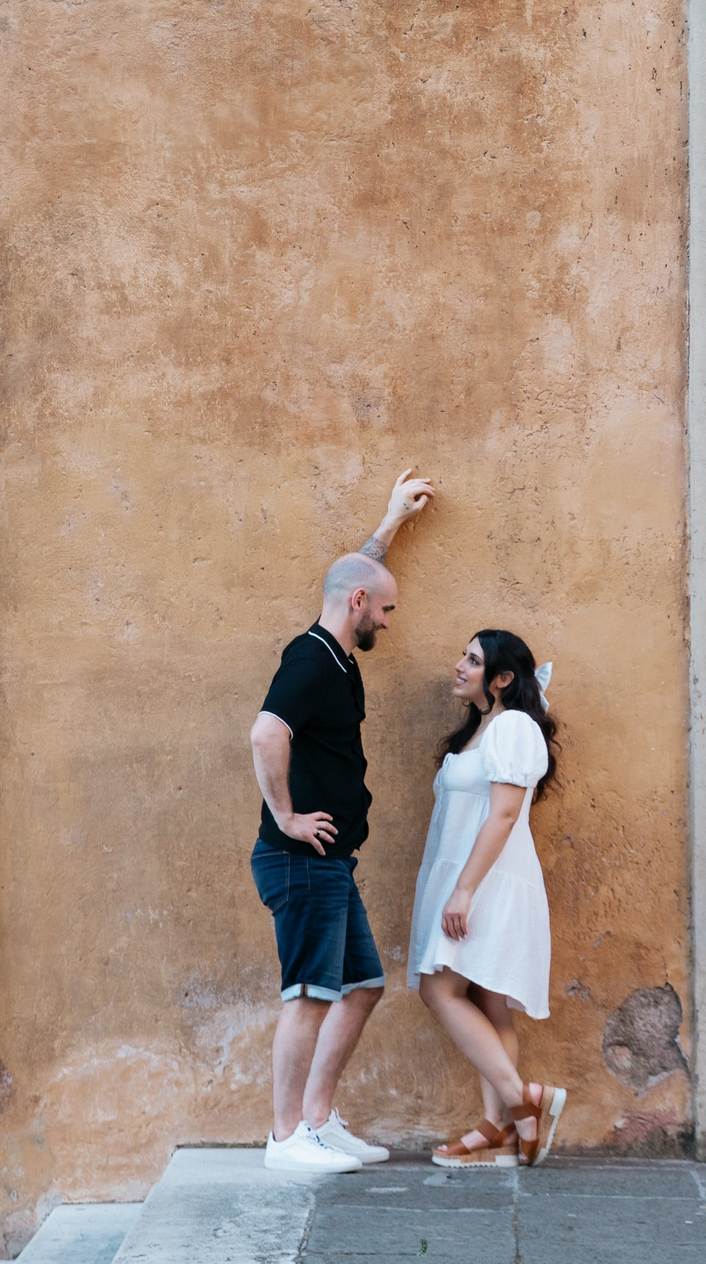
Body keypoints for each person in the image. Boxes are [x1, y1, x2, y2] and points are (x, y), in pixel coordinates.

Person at [248, 470, 436, 1173]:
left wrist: (390, 522)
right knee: (309, 994)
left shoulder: (334, 649)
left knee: (361, 985)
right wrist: (287, 817)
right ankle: (285, 1136)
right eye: (384, 609)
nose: (387, 620)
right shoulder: (311, 660)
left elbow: (356, 569)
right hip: (301, 860)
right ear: (358, 602)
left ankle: (318, 1121)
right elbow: (266, 733)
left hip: (330, 863)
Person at [407, 628, 568, 1167]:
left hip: (487, 882)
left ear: (502, 679)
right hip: (468, 878)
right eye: (463, 655)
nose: (459, 665)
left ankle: (523, 1102)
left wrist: (465, 891)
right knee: (486, 999)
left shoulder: (514, 727)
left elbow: (503, 815)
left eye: (473, 660)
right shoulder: (480, 730)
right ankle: (496, 1128)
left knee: (439, 990)